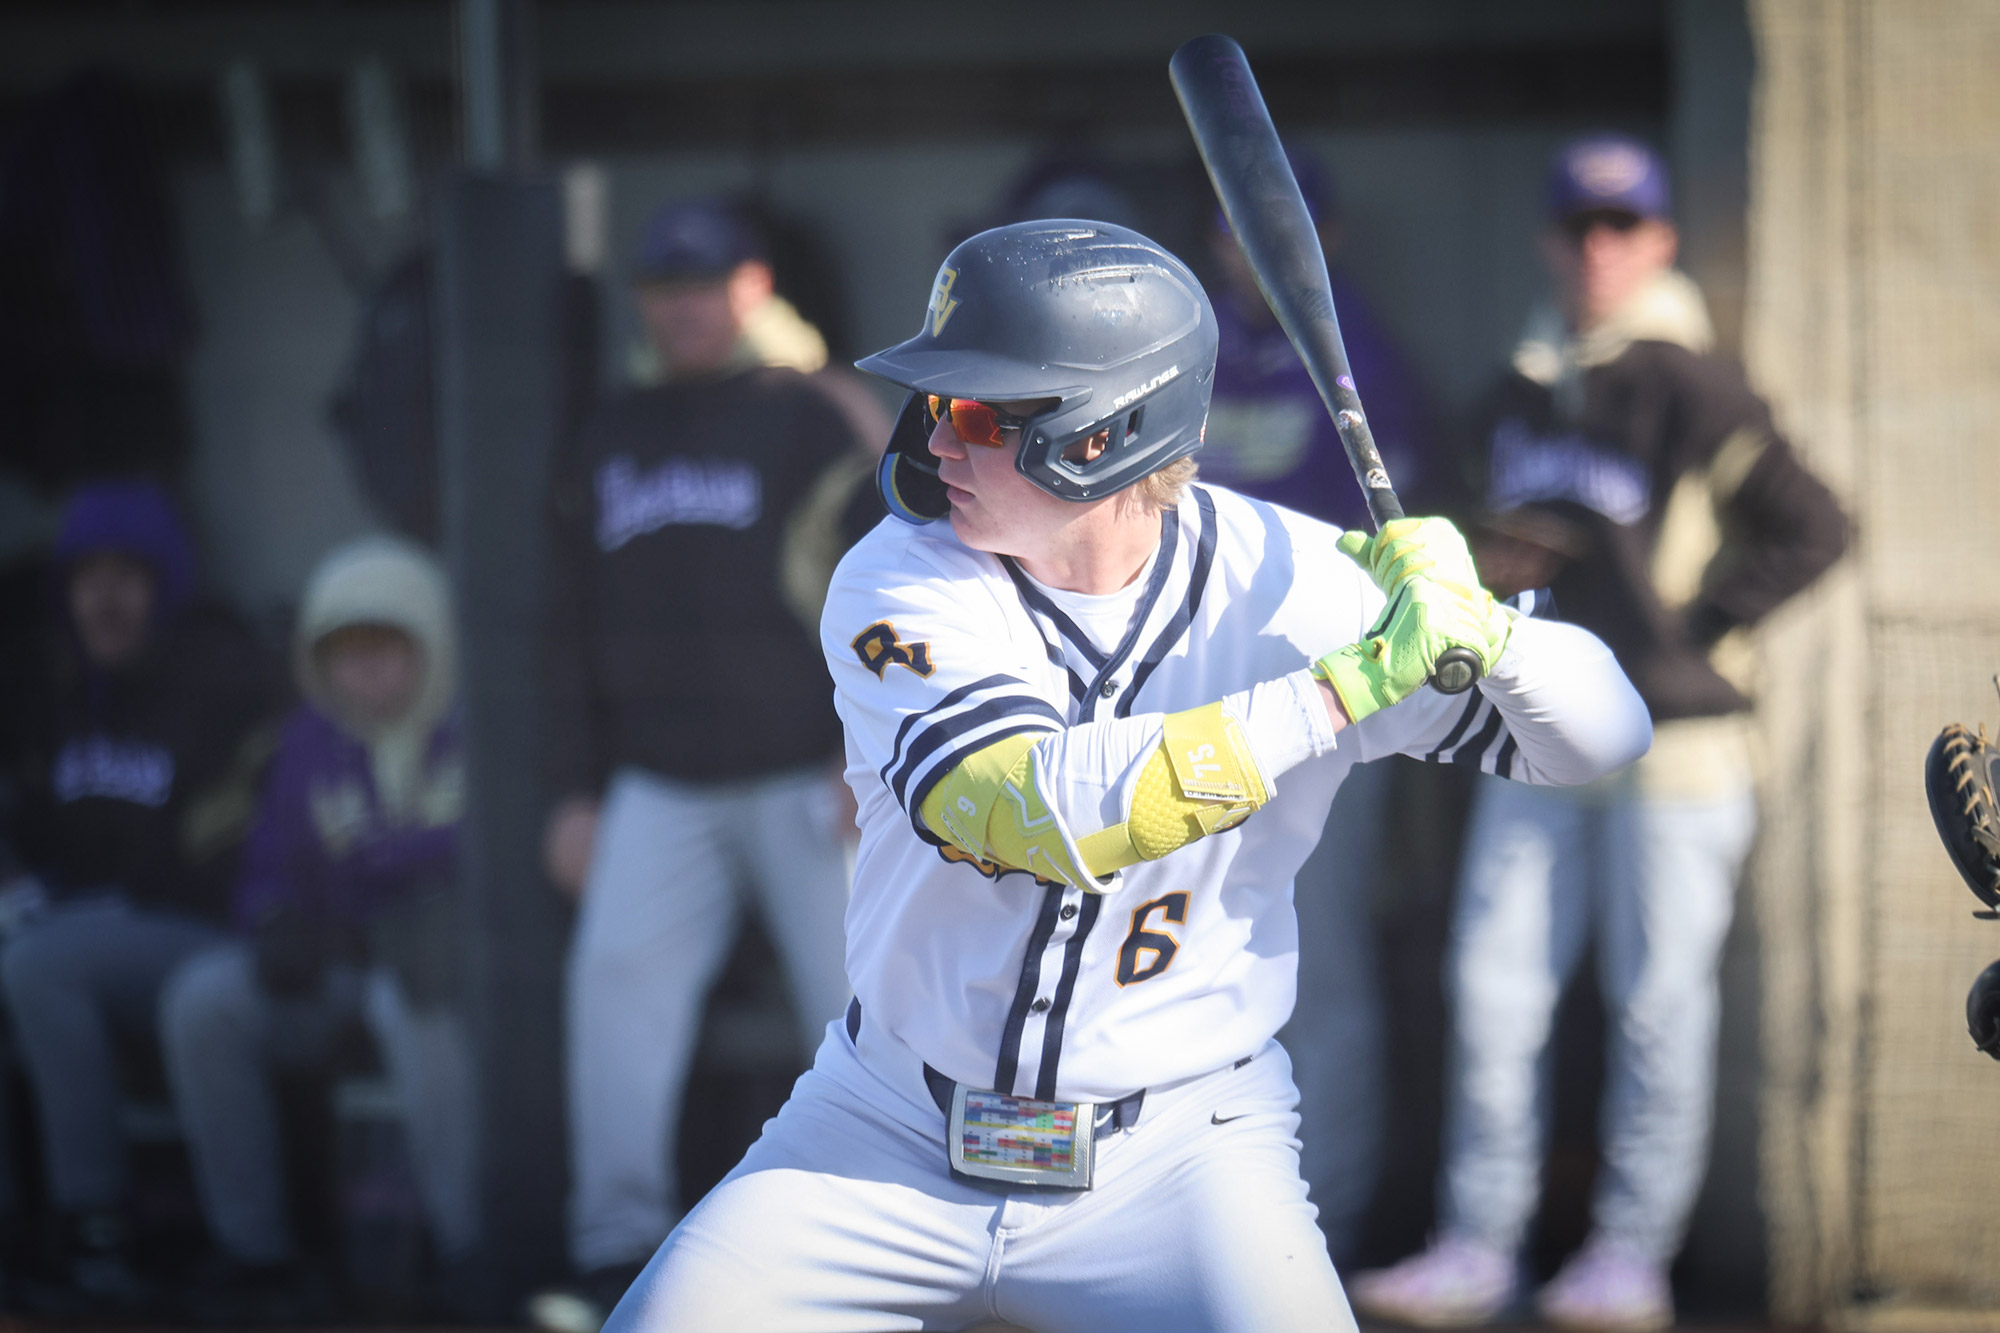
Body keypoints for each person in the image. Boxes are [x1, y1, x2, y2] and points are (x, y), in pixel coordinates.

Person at [602, 218, 1652, 1331]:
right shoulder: (897, 574)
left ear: (1104, 436)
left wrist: (1489, 632)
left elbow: (1603, 734)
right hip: (882, 1132)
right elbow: (1029, 809)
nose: (935, 444)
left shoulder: (1291, 582)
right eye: (932, 404)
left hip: (1181, 1156)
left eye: (976, 412)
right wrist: (1332, 695)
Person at [1349, 135, 1848, 1332]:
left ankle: (1629, 1259)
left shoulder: (1694, 383)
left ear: (1660, 240)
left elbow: (1816, 525)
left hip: (1675, 752)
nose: (1596, 248)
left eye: (1621, 225)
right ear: (1546, 238)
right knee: (1493, 989)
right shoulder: (1514, 389)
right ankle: (1476, 1243)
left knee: (1654, 1004)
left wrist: (1691, 629)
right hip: (1531, 735)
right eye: (1577, 224)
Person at [534, 198, 869, 1326]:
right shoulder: (610, 431)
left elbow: (888, 595)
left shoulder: (814, 416)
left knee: (859, 1006)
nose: (681, 306)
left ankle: (884, 1231)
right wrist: (575, 789)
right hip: (656, 782)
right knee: (614, 991)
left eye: (704, 284)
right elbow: (565, 622)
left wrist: (859, 750)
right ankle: (612, 1241)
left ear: (751, 288)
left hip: (798, 771)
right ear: (642, 301)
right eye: (662, 288)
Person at [1201, 146, 1437, 1262]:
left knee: (1321, 970)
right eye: (1231, 235)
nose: (1250, 257)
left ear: (1323, 242)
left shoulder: (1365, 363)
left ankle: (1326, 1225)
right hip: (1192, 712)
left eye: (1278, 236)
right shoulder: (1181, 357)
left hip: (1327, 710)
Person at [158, 535, 479, 1313]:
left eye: (386, 645)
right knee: (205, 1000)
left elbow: (474, 865)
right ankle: (255, 1249)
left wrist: (395, 906)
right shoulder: (307, 740)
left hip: (433, 972)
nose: (364, 668)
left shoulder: (476, 732)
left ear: (431, 639)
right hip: (329, 964)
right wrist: (271, 916)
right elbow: (270, 861)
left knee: (415, 1014)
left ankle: (466, 1249)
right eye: (344, 649)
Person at [0, 480, 278, 1306]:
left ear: (166, 586)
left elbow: (207, 861)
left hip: (201, 931)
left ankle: (97, 1230)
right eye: (89, 577)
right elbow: (46, 836)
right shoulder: (62, 698)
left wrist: (69, 905)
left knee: (39, 965)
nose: (106, 597)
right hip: (90, 929)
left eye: (128, 576)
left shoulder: (219, 686)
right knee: (35, 953)